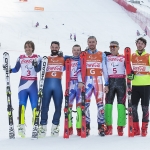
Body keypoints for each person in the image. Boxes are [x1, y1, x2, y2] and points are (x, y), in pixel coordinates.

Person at [77, 36, 109, 136]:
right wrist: (80, 81)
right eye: (89, 42)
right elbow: (79, 69)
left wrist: (107, 83)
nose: (91, 43)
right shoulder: (83, 54)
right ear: (87, 43)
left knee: (100, 104)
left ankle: (101, 127)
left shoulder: (101, 54)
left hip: (98, 81)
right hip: (87, 82)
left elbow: (105, 70)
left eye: (93, 42)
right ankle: (86, 127)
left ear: (96, 42)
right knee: (86, 105)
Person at [10, 41, 41, 137]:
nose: (28, 49)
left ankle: (35, 126)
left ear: (32, 48)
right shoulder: (20, 58)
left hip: (33, 84)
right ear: (24, 48)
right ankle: (21, 126)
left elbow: (38, 70)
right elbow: (16, 69)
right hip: (22, 85)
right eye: (26, 47)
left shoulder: (37, 57)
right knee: (22, 105)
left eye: (30, 47)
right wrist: (9, 70)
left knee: (34, 106)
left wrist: (36, 64)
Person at [34, 41, 64, 137]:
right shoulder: (45, 59)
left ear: (59, 48)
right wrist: (35, 63)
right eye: (53, 47)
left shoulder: (63, 58)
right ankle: (43, 127)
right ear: (50, 47)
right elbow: (37, 69)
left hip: (57, 86)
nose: (54, 48)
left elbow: (75, 57)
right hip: (46, 86)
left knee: (58, 107)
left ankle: (55, 127)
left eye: (56, 47)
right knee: (44, 107)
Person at [128, 37, 150, 137]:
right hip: (135, 85)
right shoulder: (133, 55)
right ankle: (136, 129)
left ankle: (144, 129)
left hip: (146, 85)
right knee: (133, 107)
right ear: (136, 44)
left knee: (145, 108)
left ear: (145, 45)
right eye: (138, 43)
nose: (140, 45)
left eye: (142, 43)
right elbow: (126, 62)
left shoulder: (148, 56)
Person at [104, 41, 126, 136]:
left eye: (114, 46)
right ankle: (109, 127)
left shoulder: (123, 57)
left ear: (118, 47)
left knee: (121, 105)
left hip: (121, 81)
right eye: (111, 47)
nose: (112, 48)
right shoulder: (106, 57)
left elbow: (129, 66)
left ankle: (120, 127)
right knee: (108, 105)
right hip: (110, 82)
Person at [64, 45, 82, 136]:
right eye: (74, 50)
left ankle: (79, 128)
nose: (76, 52)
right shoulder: (68, 60)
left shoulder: (83, 59)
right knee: (69, 106)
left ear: (80, 51)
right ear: (72, 50)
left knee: (79, 106)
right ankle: (69, 127)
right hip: (70, 83)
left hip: (79, 84)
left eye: (78, 50)